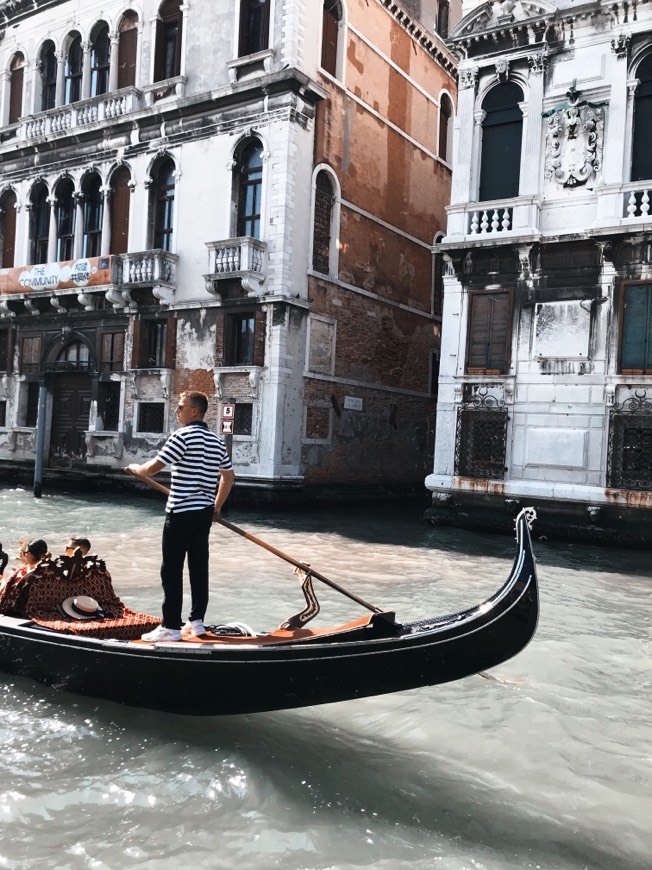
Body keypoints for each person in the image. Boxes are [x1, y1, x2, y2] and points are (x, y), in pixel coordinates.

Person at [127, 390, 235, 642]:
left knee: (171, 570)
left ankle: (171, 627)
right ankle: (196, 622)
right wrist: (216, 507)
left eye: (181, 407)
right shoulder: (216, 441)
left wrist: (135, 469)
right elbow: (228, 476)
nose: (177, 411)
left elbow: (153, 467)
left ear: (194, 411)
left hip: (180, 512)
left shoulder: (182, 436)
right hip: (203, 514)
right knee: (199, 569)